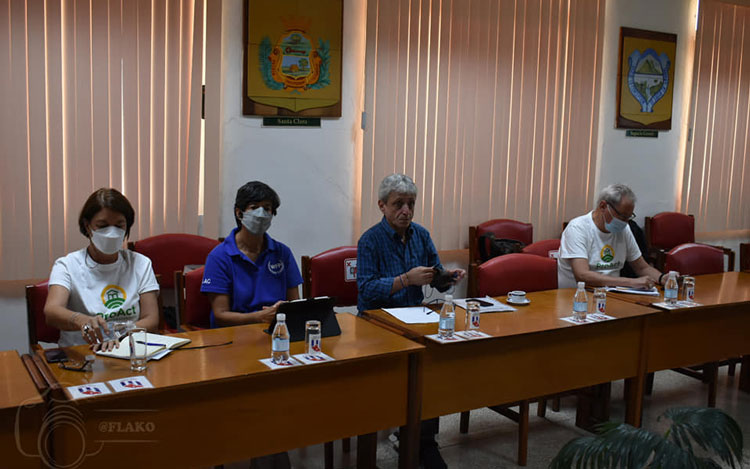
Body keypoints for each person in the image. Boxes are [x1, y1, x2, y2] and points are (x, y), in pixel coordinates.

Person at [357, 173, 465, 469]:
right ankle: (379, 440)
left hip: (414, 319)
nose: (406, 210)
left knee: (432, 371)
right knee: (386, 381)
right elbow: (365, 290)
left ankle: (423, 440)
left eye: (411, 203)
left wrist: (448, 278)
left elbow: (436, 277)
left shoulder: (421, 234)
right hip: (376, 323)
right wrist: (405, 280)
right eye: (398, 204)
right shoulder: (369, 241)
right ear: (382, 205)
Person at [44, 188, 160, 351]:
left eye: (119, 225)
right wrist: (81, 320)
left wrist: (121, 333)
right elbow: (52, 311)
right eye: (103, 225)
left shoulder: (140, 263)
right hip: (82, 354)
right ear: (87, 226)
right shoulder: (67, 265)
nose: (111, 233)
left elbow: (152, 319)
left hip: (129, 351)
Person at [201, 181, 302, 328]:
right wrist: (259, 317)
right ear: (239, 213)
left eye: (267, 208)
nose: (261, 214)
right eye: (254, 207)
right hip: (233, 336)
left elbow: (295, 304)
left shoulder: (282, 253)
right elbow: (220, 315)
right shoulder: (219, 257)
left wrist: (282, 313)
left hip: (275, 332)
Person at [558, 183, 666, 289]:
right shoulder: (578, 228)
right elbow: (582, 275)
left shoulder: (624, 229)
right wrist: (631, 282)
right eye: (622, 216)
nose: (625, 222)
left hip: (611, 296)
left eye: (629, 217)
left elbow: (642, 268)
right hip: (578, 297)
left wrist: (662, 278)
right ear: (603, 206)